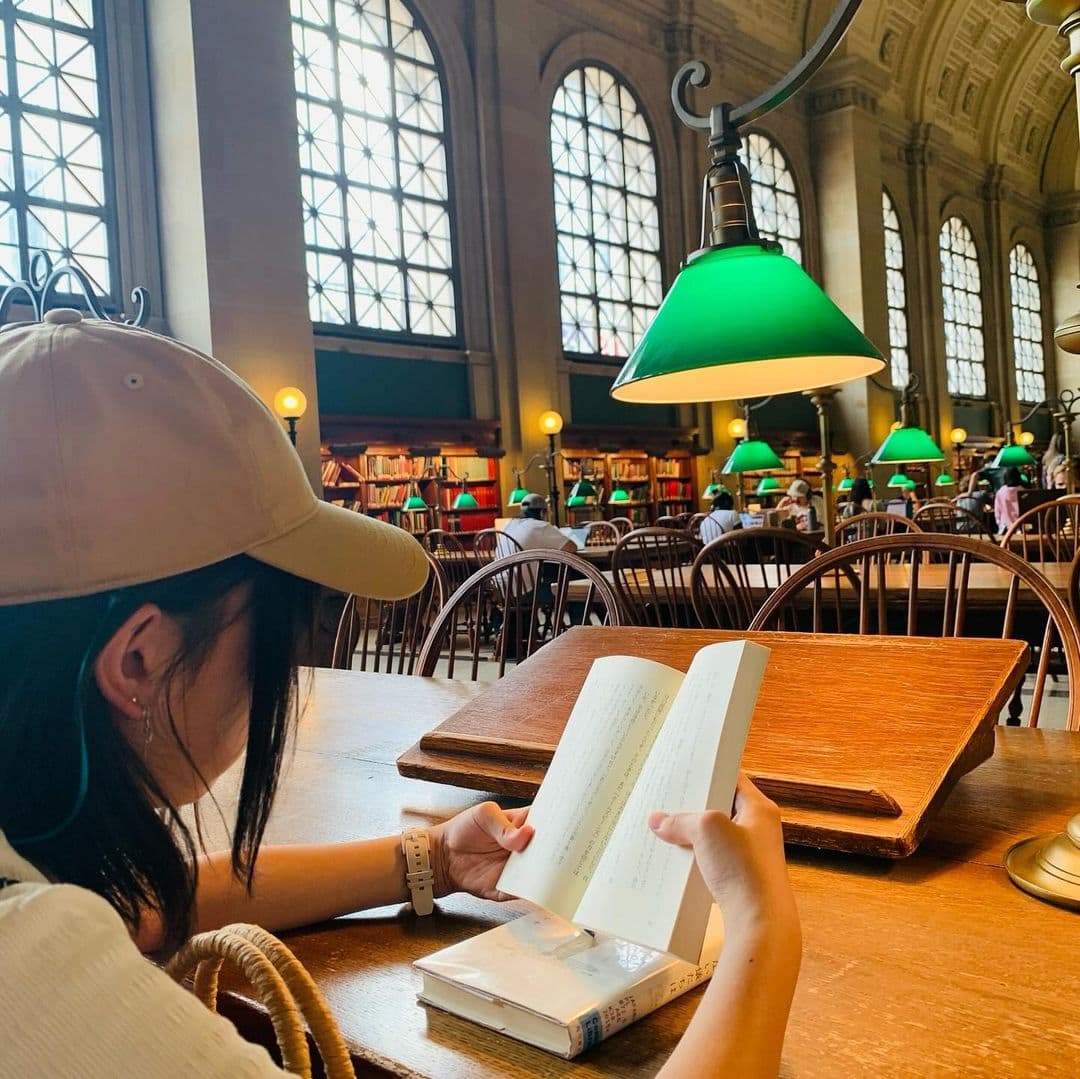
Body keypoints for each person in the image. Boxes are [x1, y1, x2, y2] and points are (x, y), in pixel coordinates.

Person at [0, 312, 801, 1076]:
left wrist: (431, 860)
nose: (279, 677)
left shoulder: (37, 867)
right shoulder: (34, 973)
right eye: (282, 634)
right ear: (139, 659)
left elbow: (151, 899)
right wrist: (766, 934)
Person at [498, 492, 576, 557]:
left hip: (497, 575)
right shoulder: (540, 526)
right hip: (524, 576)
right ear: (542, 513)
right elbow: (571, 548)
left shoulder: (508, 524)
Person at [994, 466, 1024, 534]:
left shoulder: (1001, 492)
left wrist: (999, 524)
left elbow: (997, 512)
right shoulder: (1023, 491)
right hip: (1021, 528)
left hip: (1004, 528)